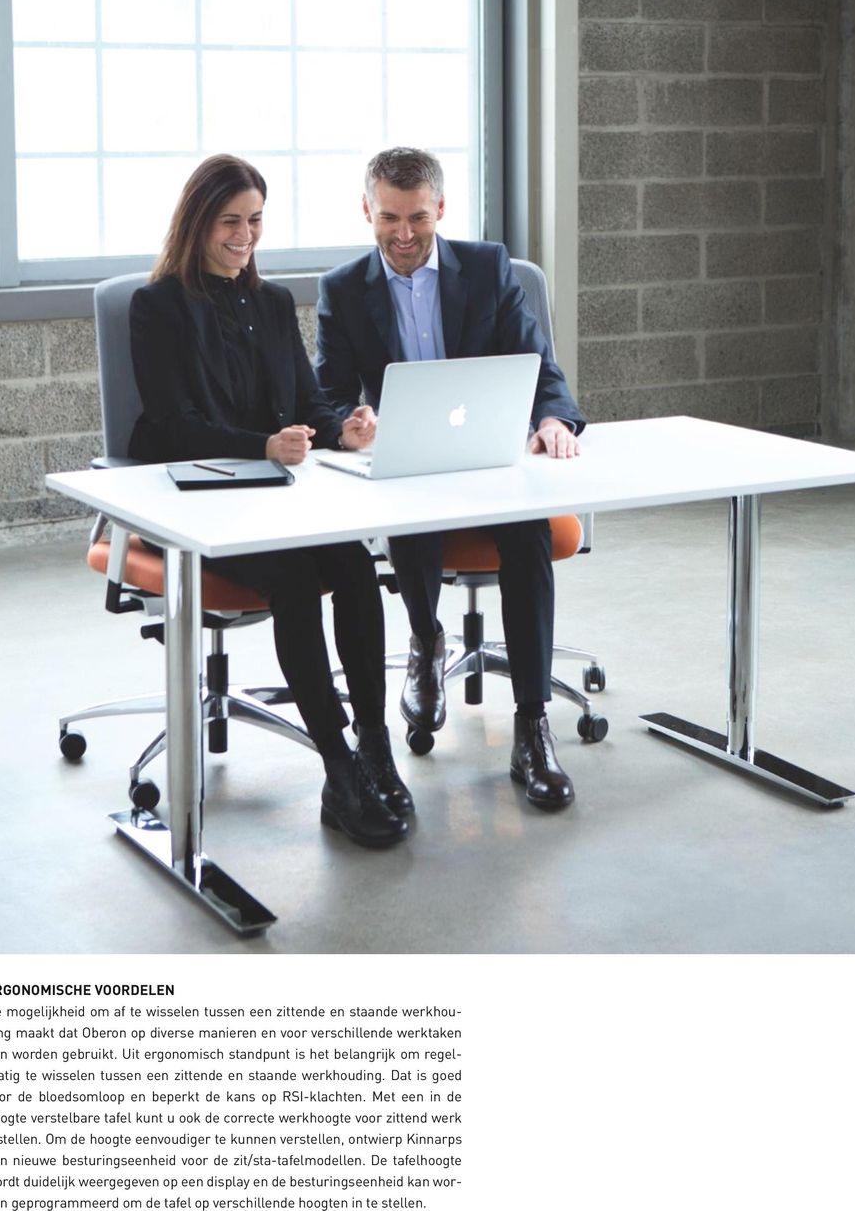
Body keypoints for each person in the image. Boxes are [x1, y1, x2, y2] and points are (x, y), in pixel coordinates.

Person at [127, 153, 411, 848]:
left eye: (255, 220)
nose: (244, 235)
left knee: (351, 565)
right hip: (198, 501)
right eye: (230, 220)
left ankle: (373, 742)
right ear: (197, 222)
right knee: (289, 577)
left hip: (278, 498)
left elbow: (306, 404)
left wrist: (342, 426)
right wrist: (263, 445)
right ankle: (338, 766)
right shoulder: (157, 305)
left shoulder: (275, 302)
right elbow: (168, 423)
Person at [315, 146, 585, 810]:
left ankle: (531, 725)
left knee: (527, 533)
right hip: (410, 471)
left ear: (441, 208)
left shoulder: (488, 268)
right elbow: (323, 396)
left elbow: (538, 361)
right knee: (414, 514)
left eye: (417, 218)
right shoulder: (344, 289)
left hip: (488, 461)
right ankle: (425, 637)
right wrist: (347, 423)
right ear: (366, 212)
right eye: (388, 218)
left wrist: (555, 419)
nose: (403, 235)